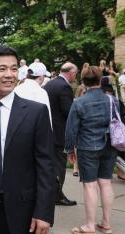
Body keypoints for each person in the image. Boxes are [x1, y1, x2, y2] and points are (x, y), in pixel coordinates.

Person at [0, 45, 54, 234]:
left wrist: (44, 212)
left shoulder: (36, 112)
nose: (9, 75)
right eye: (2, 69)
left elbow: (45, 164)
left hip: (23, 211)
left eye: (14, 69)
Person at [65, 66, 118, 234]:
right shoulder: (112, 100)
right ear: (101, 79)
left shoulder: (79, 102)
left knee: (89, 186)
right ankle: (106, 223)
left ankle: (89, 225)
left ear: (83, 81)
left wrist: (69, 150)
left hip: (88, 146)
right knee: (106, 183)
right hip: (110, 144)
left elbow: (71, 129)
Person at [44, 62, 78, 206]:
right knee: (59, 166)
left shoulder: (49, 84)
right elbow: (68, 112)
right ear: (70, 73)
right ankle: (57, 196)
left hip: (48, 130)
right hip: (59, 133)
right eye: (75, 74)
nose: (75, 77)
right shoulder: (64, 87)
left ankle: (51, 193)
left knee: (50, 166)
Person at [14, 62, 52, 126]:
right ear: (41, 77)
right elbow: (46, 118)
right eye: (44, 76)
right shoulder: (41, 92)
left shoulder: (16, 89)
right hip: (33, 130)